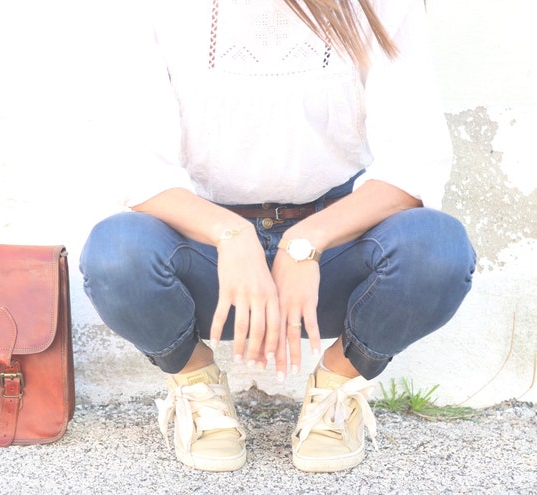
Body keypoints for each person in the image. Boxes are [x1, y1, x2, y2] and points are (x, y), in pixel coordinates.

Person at [79, 0, 476, 473]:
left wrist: (305, 242)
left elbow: (416, 161)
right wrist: (231, 235)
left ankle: (336, 388)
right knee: (115, 254)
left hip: (333, 247)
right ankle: (197, 384)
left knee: (437, 248)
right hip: (209, 255)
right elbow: (136, 169)